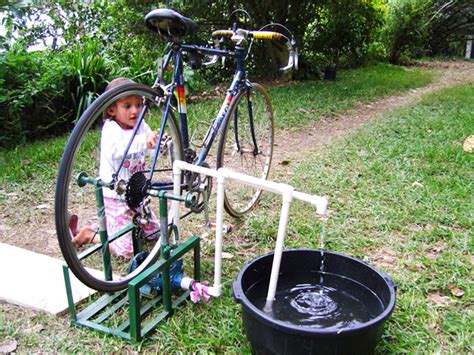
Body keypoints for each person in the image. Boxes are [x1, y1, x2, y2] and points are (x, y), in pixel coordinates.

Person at [71, 78, 161, 258]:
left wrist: (158, 143)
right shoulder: (110, 129)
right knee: (127, 251)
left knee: (154, 233)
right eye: (127, 106)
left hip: (137, 192)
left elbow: (150, 149)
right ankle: (92, 235)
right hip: (116, 196)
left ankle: (111, 228)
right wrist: (144, 140)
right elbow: (118, 151)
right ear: (112, 109)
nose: (135, 110)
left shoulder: (140, 125)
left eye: (138, 104)